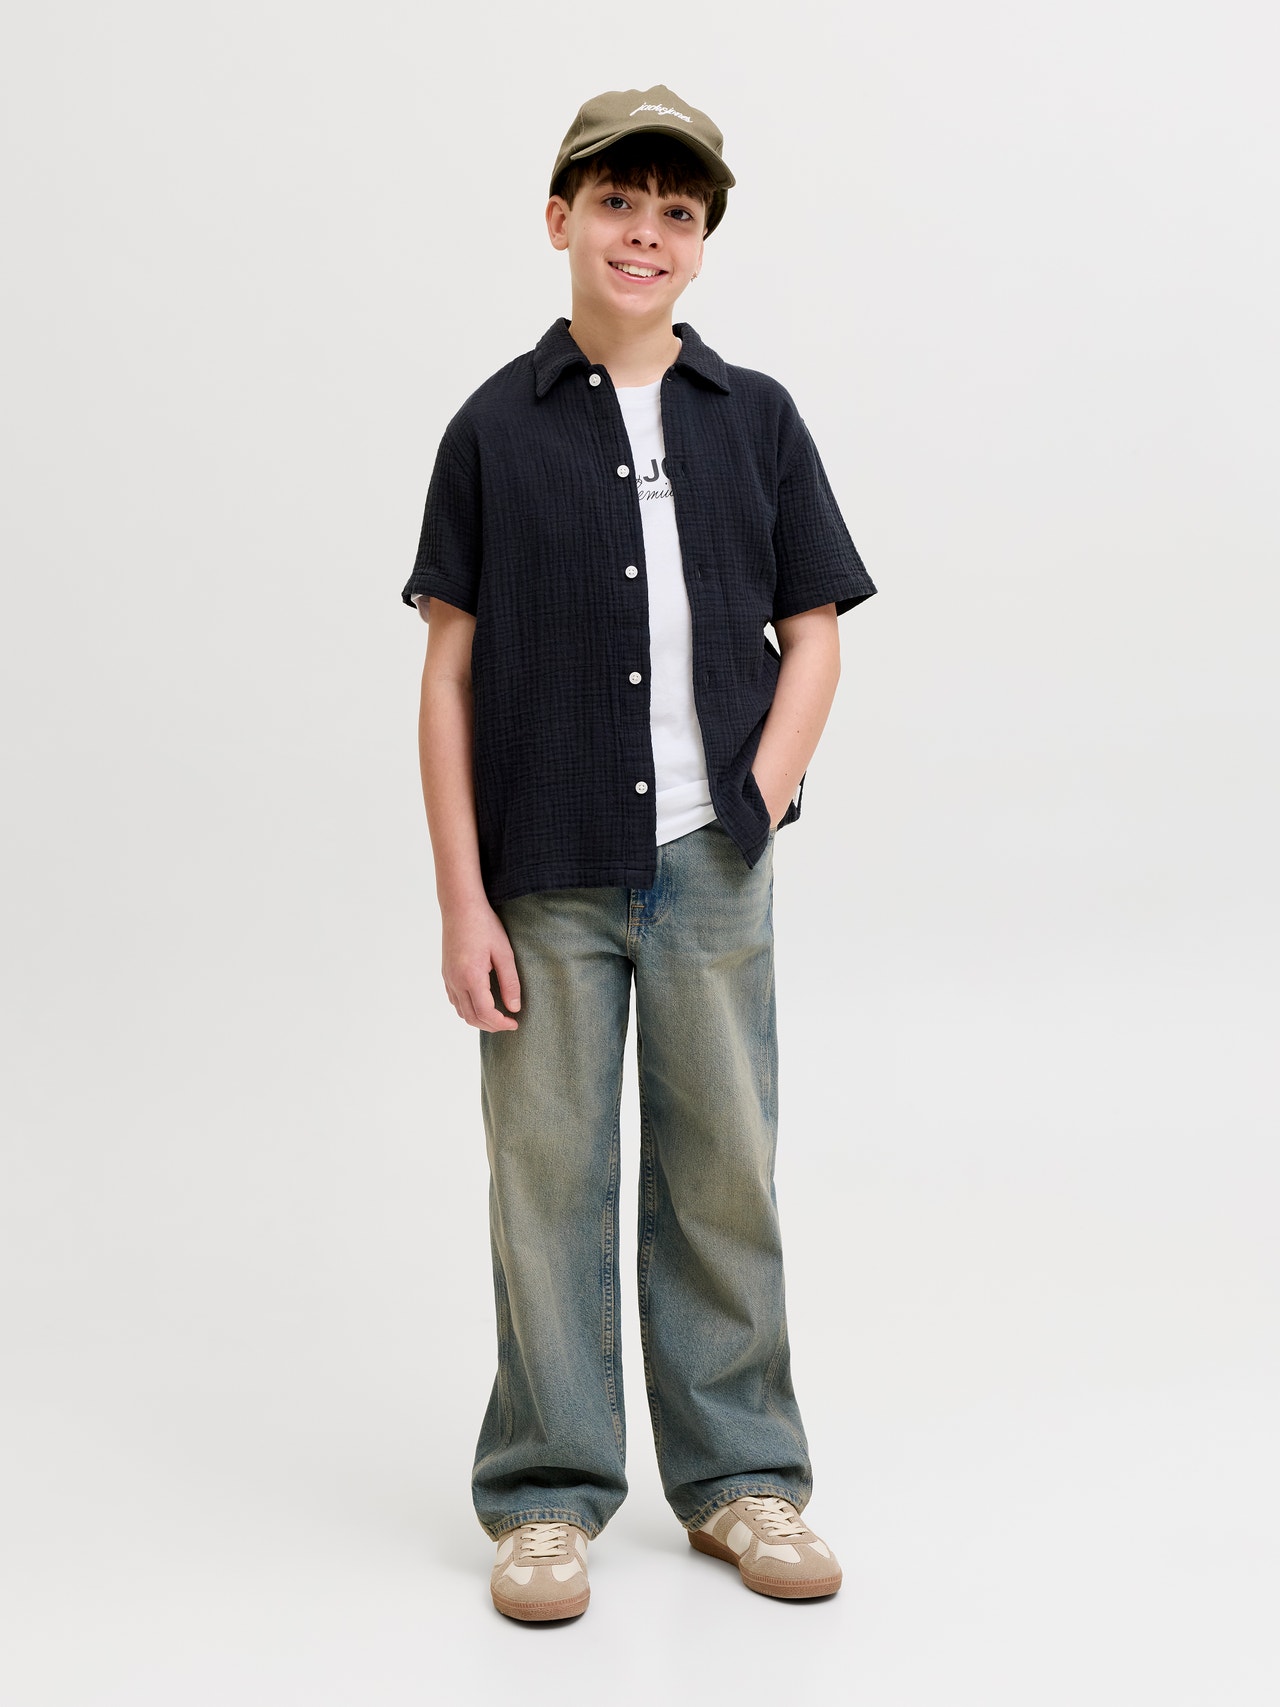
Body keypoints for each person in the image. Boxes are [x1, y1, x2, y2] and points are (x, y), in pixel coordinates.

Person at [402, 83, 877, 1622]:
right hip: (543, 874)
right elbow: (448, 678)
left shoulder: (759, 420)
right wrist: (463, 900)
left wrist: (758, 796)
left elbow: (814, 633)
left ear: (703, 244)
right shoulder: (494, 429)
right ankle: (546, 1494)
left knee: (722, 1171)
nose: (646, 233)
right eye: (619, 203)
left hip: (709, 864)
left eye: (677, 213)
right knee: (546, 1177)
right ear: (562, 218)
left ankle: (742, 1478)